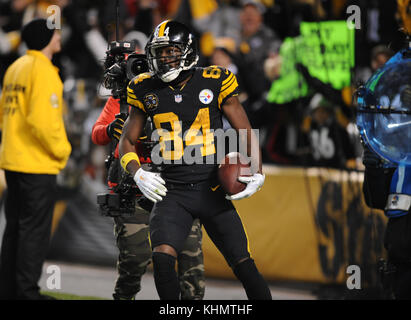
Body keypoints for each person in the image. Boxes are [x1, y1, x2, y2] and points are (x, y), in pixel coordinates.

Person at [119, 20, 272, 300]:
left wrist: (258, 171)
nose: (164, 58)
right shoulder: (143, 88)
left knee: (243, 264)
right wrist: (138, 173)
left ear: (187, 51)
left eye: (170, 52)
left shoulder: (214, 79)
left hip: (210, 188)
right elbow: (126, 141)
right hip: (172, 191)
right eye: (159, 52)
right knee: (163, 261)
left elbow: (245, 130)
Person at [92, 94, 205, 300]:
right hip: (133, 186)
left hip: (177, 184)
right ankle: (124, 297)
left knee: (190, 256)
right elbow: (97, 134)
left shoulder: (183, 90)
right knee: (135, 258)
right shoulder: (123, 97)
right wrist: (110, 129)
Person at [0, 18, 72, 300]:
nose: (59, 38)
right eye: (55, 34)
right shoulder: (44, 71)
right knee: (34, 233)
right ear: (46, 39)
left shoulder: (15, 68)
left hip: (12, 160)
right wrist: (62, 150)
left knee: (15, 228)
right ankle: (27, 292)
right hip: (37, 163)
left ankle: (8, 291)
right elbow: (41, 122)